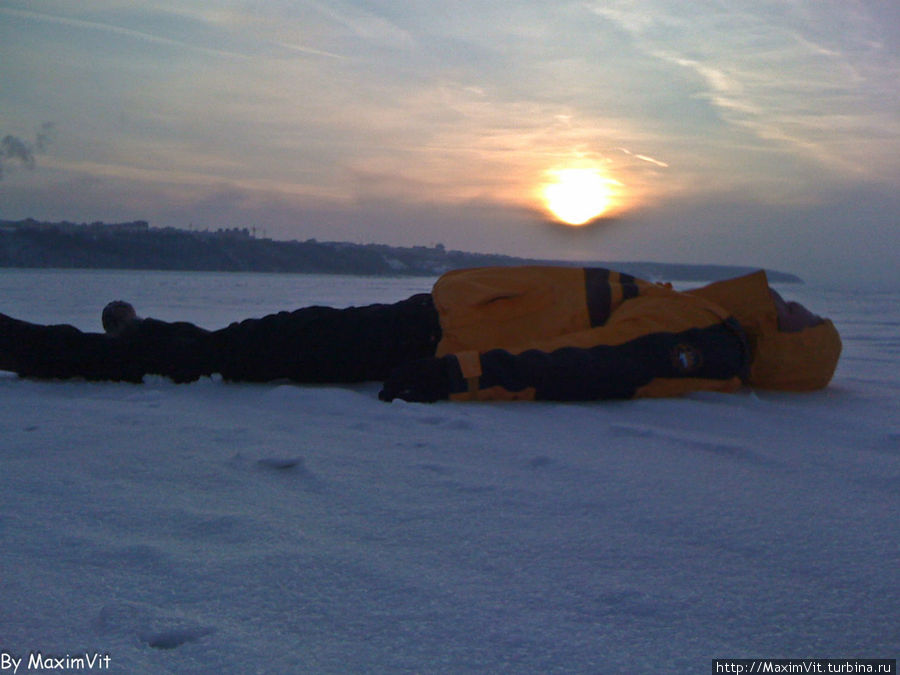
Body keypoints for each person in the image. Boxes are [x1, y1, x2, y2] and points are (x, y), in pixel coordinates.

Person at [0, 266, 841, 402]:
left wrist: (461, 372)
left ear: (795, 345)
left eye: (813, 325)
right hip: (439, 315)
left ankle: (43, 349)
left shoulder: (716, 342)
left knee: (239, 355)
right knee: (257, 334)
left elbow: (597, 367)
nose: (804, 312)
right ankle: (147, 334)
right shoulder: (717, 311)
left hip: (434, 343)